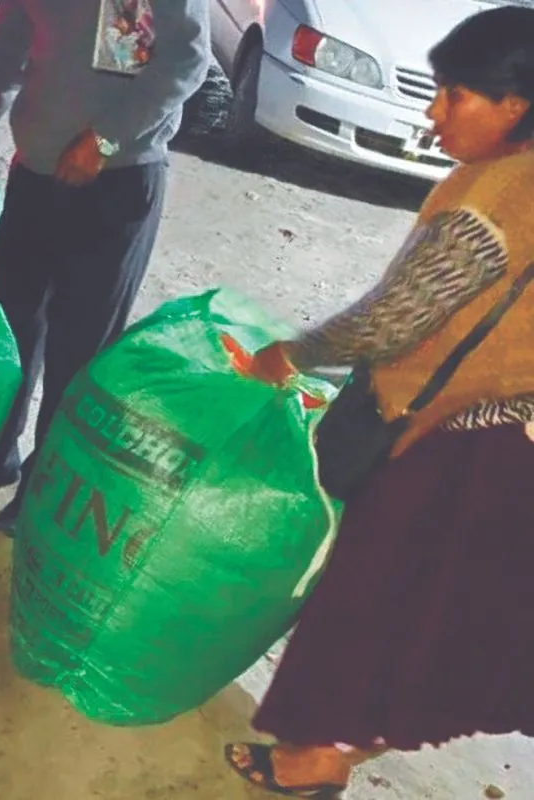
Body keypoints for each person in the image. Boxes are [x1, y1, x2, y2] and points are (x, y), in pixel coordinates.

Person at [224, 6, 534, 797]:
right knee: (436, 614)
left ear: (515, 105)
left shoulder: (496, 198)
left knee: (373, 606)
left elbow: (393, 319)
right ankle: (333, 750)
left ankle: (317, 758)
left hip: (457, 439)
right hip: (503, 433)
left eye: (454, 94)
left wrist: (287, 355)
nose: (434, 113)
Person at [0, 0, 209, 531]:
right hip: (35, 172)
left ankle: (44, 487)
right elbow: (7, 53)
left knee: (80, 346)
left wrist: (104, 139)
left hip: (118, 181)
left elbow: (186, 60)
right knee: (12, 322)